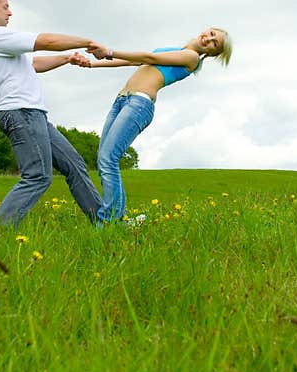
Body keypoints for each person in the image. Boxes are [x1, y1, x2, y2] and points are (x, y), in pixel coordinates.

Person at [0, 0, 109, 230]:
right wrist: (88, 42)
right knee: (37, 176)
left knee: (74, 165)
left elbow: (33, 63)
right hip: (21, 113)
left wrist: (67, 58)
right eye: (5, 6)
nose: (10, 12)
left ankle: (104, 223)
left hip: (33, 115)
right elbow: (46, 41)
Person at [87, 27, 232, 225]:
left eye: (215, 43)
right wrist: (92, 65)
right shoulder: (175, 49)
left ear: (213, 53)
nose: (209, 39)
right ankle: (118, 220)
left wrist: (109, 51)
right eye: (212, 34)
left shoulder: (191, 57)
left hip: (138, 104)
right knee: (105, 158)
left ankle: (107, 222)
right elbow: (135, 61)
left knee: (108, 158)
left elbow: (149, 57)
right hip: (122, 101)